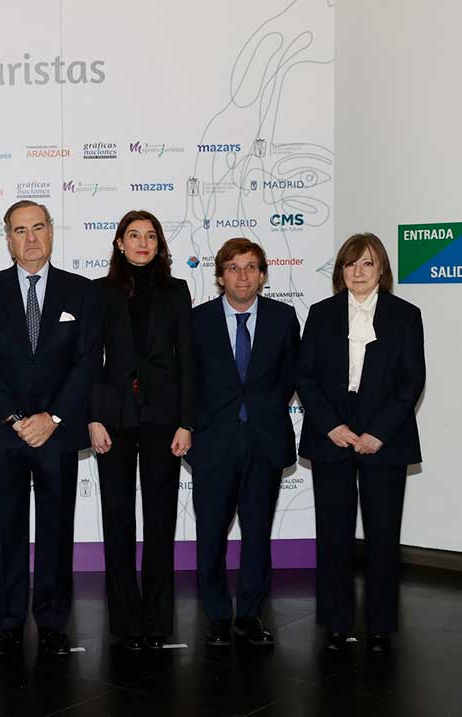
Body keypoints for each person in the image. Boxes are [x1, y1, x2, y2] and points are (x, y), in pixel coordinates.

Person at [0, 200, 101, 658]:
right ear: (7, 238)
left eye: (38, 228)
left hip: (57, 432)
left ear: (51, 232)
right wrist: (16, 418)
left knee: (56, 531)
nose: (30, 238)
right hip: (7, 432)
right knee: (5, 530)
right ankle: (6, 623)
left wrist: (53, 418)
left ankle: (52, 622)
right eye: (19, 230)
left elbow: (87, 361)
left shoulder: (80, 291)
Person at [296, 232, 424, 655]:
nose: (358, 271)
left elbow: (411, 382)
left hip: (385, 437)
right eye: (350, 263)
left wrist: (378, 433)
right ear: (340, 271)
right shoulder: (320, 313)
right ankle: (336, 623)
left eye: (367, 263)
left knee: (383, 537)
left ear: (382, 269)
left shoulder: (406, 315)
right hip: (331, 433)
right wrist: (331, 425)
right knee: (332, 534)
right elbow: (306, 376)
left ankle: (381, 626)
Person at [88, 209, 194, 651]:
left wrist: (187, 421)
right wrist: (92, 417)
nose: (142, 243)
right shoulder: (99, 292)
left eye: (150, 235)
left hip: (163, 418)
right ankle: (127, 623)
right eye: (133, 235)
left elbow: (188, 359)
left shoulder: (176, 290)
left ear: (159, 243)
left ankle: (156, 621)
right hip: (112, 418)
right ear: (119, 243)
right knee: (117, 521)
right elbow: (90, 360)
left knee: (159, 521)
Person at [187, 238, 300, 648]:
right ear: (220, 276)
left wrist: (263, 410)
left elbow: (291, 375)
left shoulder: (283, 317)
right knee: (211, 535)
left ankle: (249, 615)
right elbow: (189, 381)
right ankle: (217, 616)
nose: (242, 275)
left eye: (251, 267)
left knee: (257, 534)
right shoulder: (197, 320)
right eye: (233, 267)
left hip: (264, 442)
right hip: (213, 444)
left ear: (262, 275)